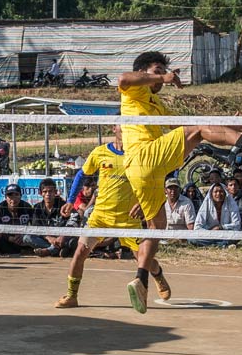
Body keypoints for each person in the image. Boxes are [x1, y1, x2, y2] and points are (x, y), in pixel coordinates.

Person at [118, 51, 242, 313]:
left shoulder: (157, 106)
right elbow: (125, 78)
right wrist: (164, 75)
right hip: (142, 157)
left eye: (163, 70)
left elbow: (195, 128)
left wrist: (230, 126)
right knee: (196, 130)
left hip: (145, 171)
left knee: (156, 227)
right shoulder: (133, 92)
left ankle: (141, 279)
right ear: (144, 71)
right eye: (156, 70)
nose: (161, 75)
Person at [54, 124, 171, 309]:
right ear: (114, 129)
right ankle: (71, 295)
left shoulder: (139, 155)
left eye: (130, 127)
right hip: (100, 217)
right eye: (122, 127)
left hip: (128, 220)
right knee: (79, 253)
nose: (126, 130)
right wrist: (70, 200)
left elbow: (152, 184)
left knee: (143, 259)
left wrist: (142, 203)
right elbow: (82, 174)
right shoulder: (100, 152)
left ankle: (157, 274)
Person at [0, 183, 48, 255]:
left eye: (16, 195)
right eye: (10, 195)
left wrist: (23, 234)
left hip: (22, 239)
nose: (13, 198)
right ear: (5, 197)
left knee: (30, 238)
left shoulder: (26, 207)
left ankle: (47, 249)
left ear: (21, 196)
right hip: (6, 239)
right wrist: (9, 238)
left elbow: (35, 224)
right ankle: (4, 252)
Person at [31, 178, 79, 258]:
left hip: (64, 237)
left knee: (73, 241)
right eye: (45, 191)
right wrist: (49, 238)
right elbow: (36, 226)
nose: (48, 194)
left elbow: (76, 218)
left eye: (50, 191)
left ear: (55, 192)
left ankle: (49, 251)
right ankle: (58, 249)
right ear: (40, 193)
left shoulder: (64, 205)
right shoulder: (37, 208)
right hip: (47, 239)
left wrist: (63, 236)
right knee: (27, 237)